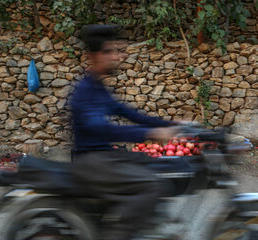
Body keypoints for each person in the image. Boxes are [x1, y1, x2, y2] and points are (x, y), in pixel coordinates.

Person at [70, 24, 177, 240]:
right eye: (108, 51)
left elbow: (130, 114)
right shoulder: (85, 91)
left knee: (159, 167)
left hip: (104, 156)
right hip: (91, 162)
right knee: (151, 185)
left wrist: (170, 124)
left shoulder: (98, 88)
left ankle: (147, 225)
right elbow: (102, 130)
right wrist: (148, 134)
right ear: (93, 57)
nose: (117, 56)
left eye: (117, 51)